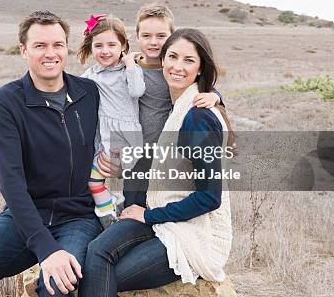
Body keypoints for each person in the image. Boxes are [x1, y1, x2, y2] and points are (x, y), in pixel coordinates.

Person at [0, 11, 102, 297]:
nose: (50, 53)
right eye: (40, 45)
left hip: (79, 217)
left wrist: (211, 94)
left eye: (57, 45)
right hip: (25, 215)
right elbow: (11, 183)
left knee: (56, 288)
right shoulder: (7, 100)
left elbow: (150, 92)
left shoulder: (88, 92)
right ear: (23, 50)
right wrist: (45, 248)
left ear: (67, 47)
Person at [80, 28, 234, 295]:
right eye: (172, 57)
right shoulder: (174, 104)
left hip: (190, 234)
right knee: (97, 251)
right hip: (163, 215)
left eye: (188, 60)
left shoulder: (197, 118)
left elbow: (210, 198)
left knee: (102, 272)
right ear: (162, 61)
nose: (177, 66)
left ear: (200, 69)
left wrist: (148, 215)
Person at [121, 3, 221, 209]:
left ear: (172, 37)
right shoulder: (129, 69)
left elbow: (200, 87)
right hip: (136, 155)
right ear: (137, 36)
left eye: (161, 36)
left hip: (167, 155)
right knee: (132, 208)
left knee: (159, 206)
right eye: (146, 36)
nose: (153, 42)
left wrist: (215, 96)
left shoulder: (176, 71)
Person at [77, 14, 145, 229]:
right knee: (94, 178)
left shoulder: (129, 71)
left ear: (123, 45)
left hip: (126, 135)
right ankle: (111, 211)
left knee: (111, 174)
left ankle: (112, 213)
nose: (105, 50)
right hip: (105, 134)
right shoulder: (91, 74)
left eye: (111, 44)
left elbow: (137, 91)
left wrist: (130, 64)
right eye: (98, 45)